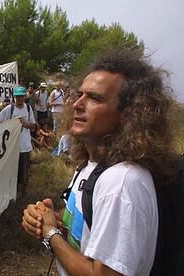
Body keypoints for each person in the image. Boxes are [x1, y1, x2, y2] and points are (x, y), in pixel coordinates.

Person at [22, 49, 179, 275]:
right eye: (80, 94)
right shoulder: (91, 166)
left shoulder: (122, 182)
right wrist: (49, 219)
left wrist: (50, 234)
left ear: (128, 114)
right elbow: (87, 236)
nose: (77, 104)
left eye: (95, 98)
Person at [0, 86, 36, 194]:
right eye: (18, 97)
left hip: (25, 146)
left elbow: (33, 126)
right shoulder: (9, 109)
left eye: (22, 97)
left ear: (24, 97)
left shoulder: (28, 109)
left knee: (24, 171)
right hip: (12, 147)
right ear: (14, 97)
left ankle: (23, 193)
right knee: (12, 171)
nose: (20, 99)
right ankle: (12, 192)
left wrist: (24, 123)